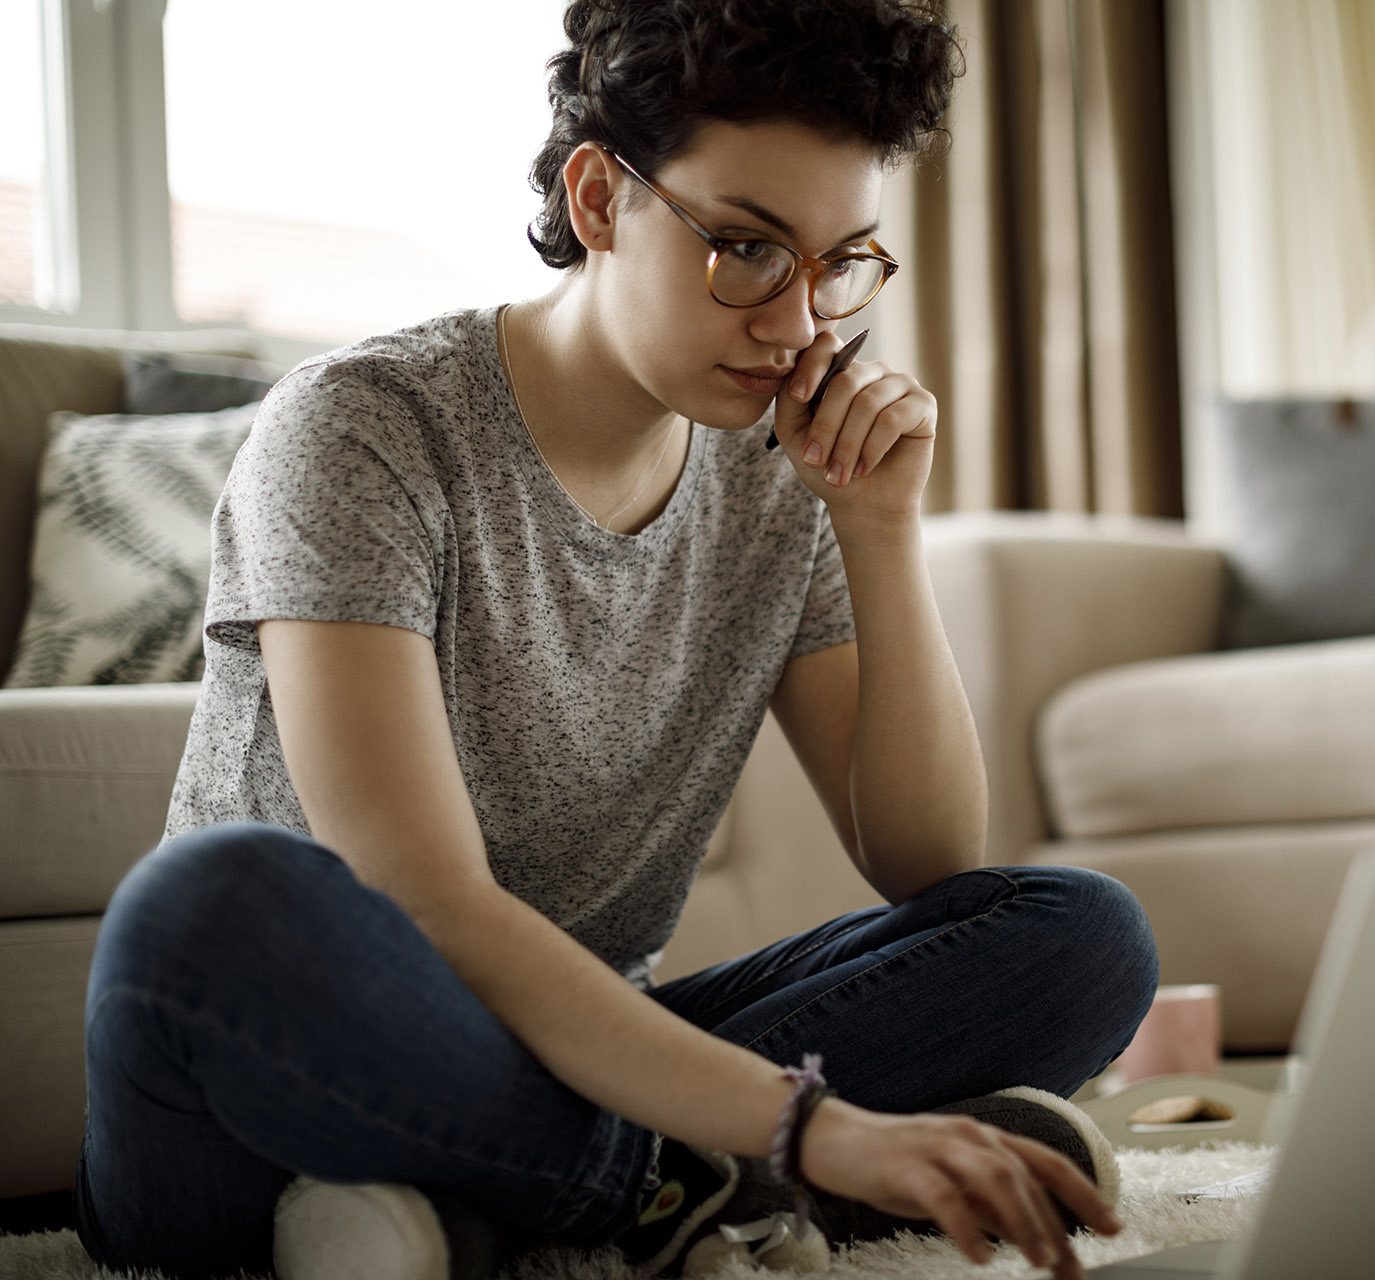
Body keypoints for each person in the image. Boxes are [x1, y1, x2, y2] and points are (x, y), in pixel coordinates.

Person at [73, 1, 1160, 1278]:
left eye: (840, 261)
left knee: (1082, 934)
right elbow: (427, 901)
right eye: (748, 250)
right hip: (277, 1077)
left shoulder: (776, 468)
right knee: (206, 903)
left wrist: (877, 527)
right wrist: (819, 1126)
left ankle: (502, 1210)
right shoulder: (361, 429)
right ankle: (677, 1189)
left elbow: (929, 859)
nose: (800, 324)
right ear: (598, 197)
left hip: (567, 1056)